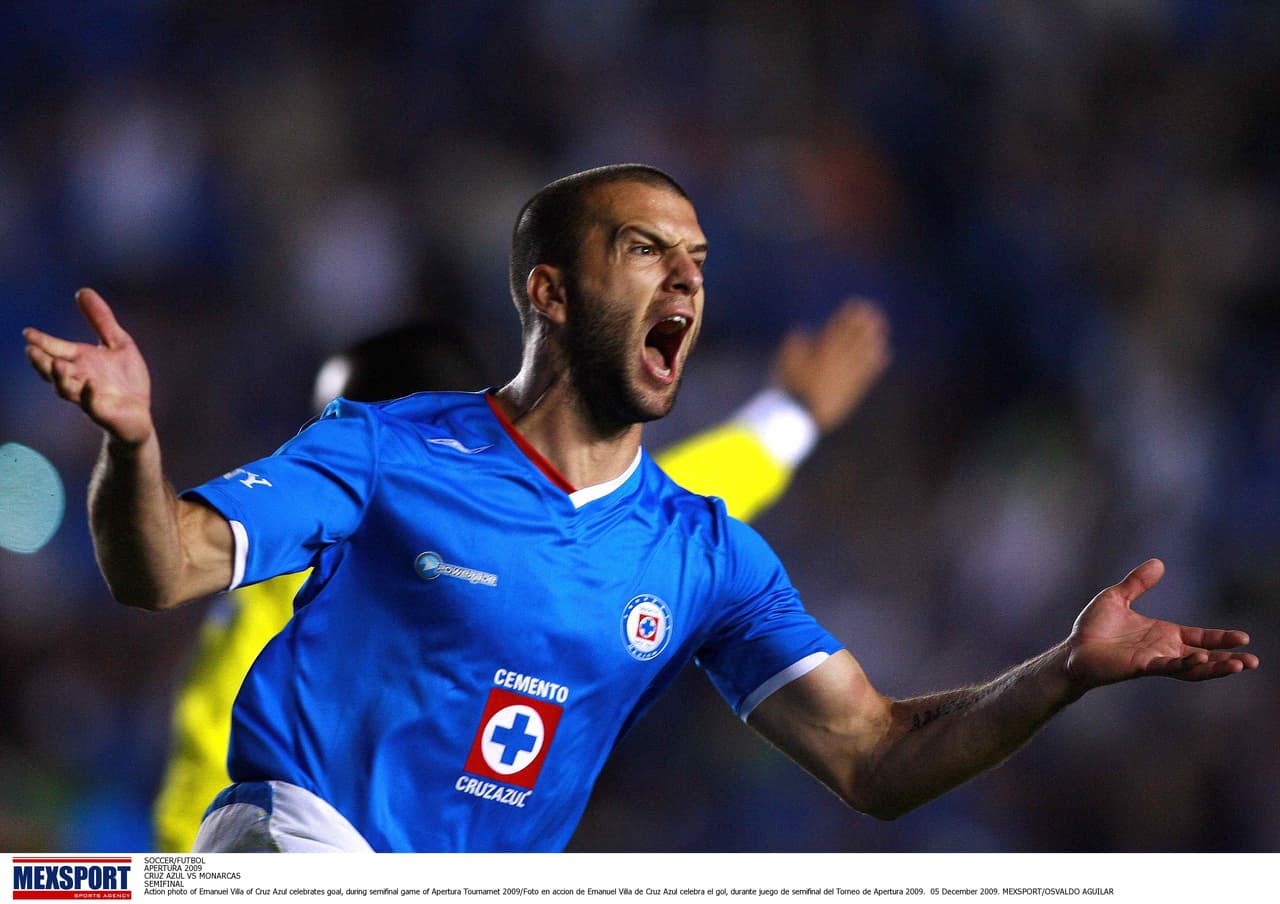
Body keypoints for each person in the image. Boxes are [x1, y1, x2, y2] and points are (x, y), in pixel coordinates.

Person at [25, 164, 1258, 854]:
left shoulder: (704, 554)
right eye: (646, 250)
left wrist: (1058, 671)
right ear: (549, 292)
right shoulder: (390, 452)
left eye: (700, 262)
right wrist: (132, 444)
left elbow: (875, 759)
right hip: (297, 844)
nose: (686, 278)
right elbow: (165, 569)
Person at [150, 302, 891, 852]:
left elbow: (689, 503)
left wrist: (791, 416)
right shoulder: (291, 604)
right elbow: (215, 772)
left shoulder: (542, 530)